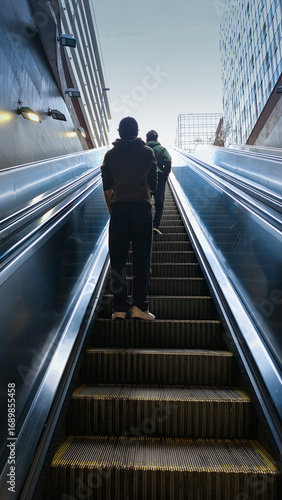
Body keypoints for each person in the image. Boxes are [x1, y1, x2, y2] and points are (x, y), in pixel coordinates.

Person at [101, 117, 158, 320]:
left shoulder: (110, 156)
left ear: (119, 132)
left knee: (118, 260)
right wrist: (143, 191)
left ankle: (119, 308)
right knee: (142, 259)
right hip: (141, 209)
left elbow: (107, 189)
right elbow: (154, 184)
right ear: (137, 131)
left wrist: (113, 210)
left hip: (118, 211)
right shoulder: (147, 153)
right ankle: (139, 307)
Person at [146, 130, 172, 235]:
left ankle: (145, 224)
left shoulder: (144, 149)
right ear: (157, 138)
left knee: (145, 202)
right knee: (159, 202)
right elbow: (168, 160)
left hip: (145, 177)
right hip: (160, 176)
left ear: (147, 138)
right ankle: (155, 225)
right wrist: (165, 174)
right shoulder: (161, 149)